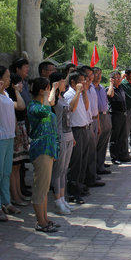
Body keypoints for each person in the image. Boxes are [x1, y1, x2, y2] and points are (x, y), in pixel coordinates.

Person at [0, 66, 24, 222]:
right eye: (7, 77)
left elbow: (20, 106)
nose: (9, 80)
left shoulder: (7, 94)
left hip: (9, 137)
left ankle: (6, 202)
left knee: (6, 172)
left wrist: (16, 91)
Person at [27, 78, 59, 232]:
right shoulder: (33, 106)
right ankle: (40, 222)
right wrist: (47, 96)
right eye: (47, 88)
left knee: (45, 187)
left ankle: (45, 218)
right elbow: (46, 111)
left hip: (49, 148)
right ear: (41, 91)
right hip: (41, 149)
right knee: (40, 187)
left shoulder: (42, 104)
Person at [49, 71, 75, 215]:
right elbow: (50, 103)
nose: (65, 83)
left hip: (68, 135)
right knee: (58, 171)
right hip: (59, 137)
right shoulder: (53, 98)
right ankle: (57, 201)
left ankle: (63, 199)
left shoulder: (63, 97)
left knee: (64, 170)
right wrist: (53, 88)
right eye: (63, 81)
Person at [64, 71, 90, 204]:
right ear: (73, 82)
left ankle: (80, 186)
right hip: (75, 130)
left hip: (84, 128)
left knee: (83, 161)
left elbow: (86, 107)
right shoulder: (69, 94)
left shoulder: (80, 93)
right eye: (80, 80)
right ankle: (73, 192)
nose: (83, 82)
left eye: (84, 80)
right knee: (75, 162)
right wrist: (79, 92)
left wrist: (83, 92)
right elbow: (71, 108)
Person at [6, 73, 30, 208]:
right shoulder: (10, 98)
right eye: (18, 83)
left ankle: (19, 193)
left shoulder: (16, 96)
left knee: (19, 165)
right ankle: (14, 195)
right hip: (15, 132)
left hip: (21, 130)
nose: (21, 85)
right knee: (14, 166)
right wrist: (16, 91)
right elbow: (21, 107)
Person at [107, 71, 130, 164]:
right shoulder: (110, 88)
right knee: (115, 137)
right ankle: (114, 157)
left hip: (123, 114)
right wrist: (111, 84)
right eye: (116, 77)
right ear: (112, 79)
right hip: (114, 115)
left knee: (122, 136)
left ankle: (122, 155)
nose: (119, 79)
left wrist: (122, 78)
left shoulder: (120, 87)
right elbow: (110, 95)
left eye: (119, 77)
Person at [93, 67, 112, 175]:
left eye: (100, 73)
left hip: (105, 115)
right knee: (95, 143)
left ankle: (100, 165)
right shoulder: (90, 88)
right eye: (96, 74)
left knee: (104, 143)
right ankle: (93, 169)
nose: (99, 76)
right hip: (97, 117)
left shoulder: (101, 88)